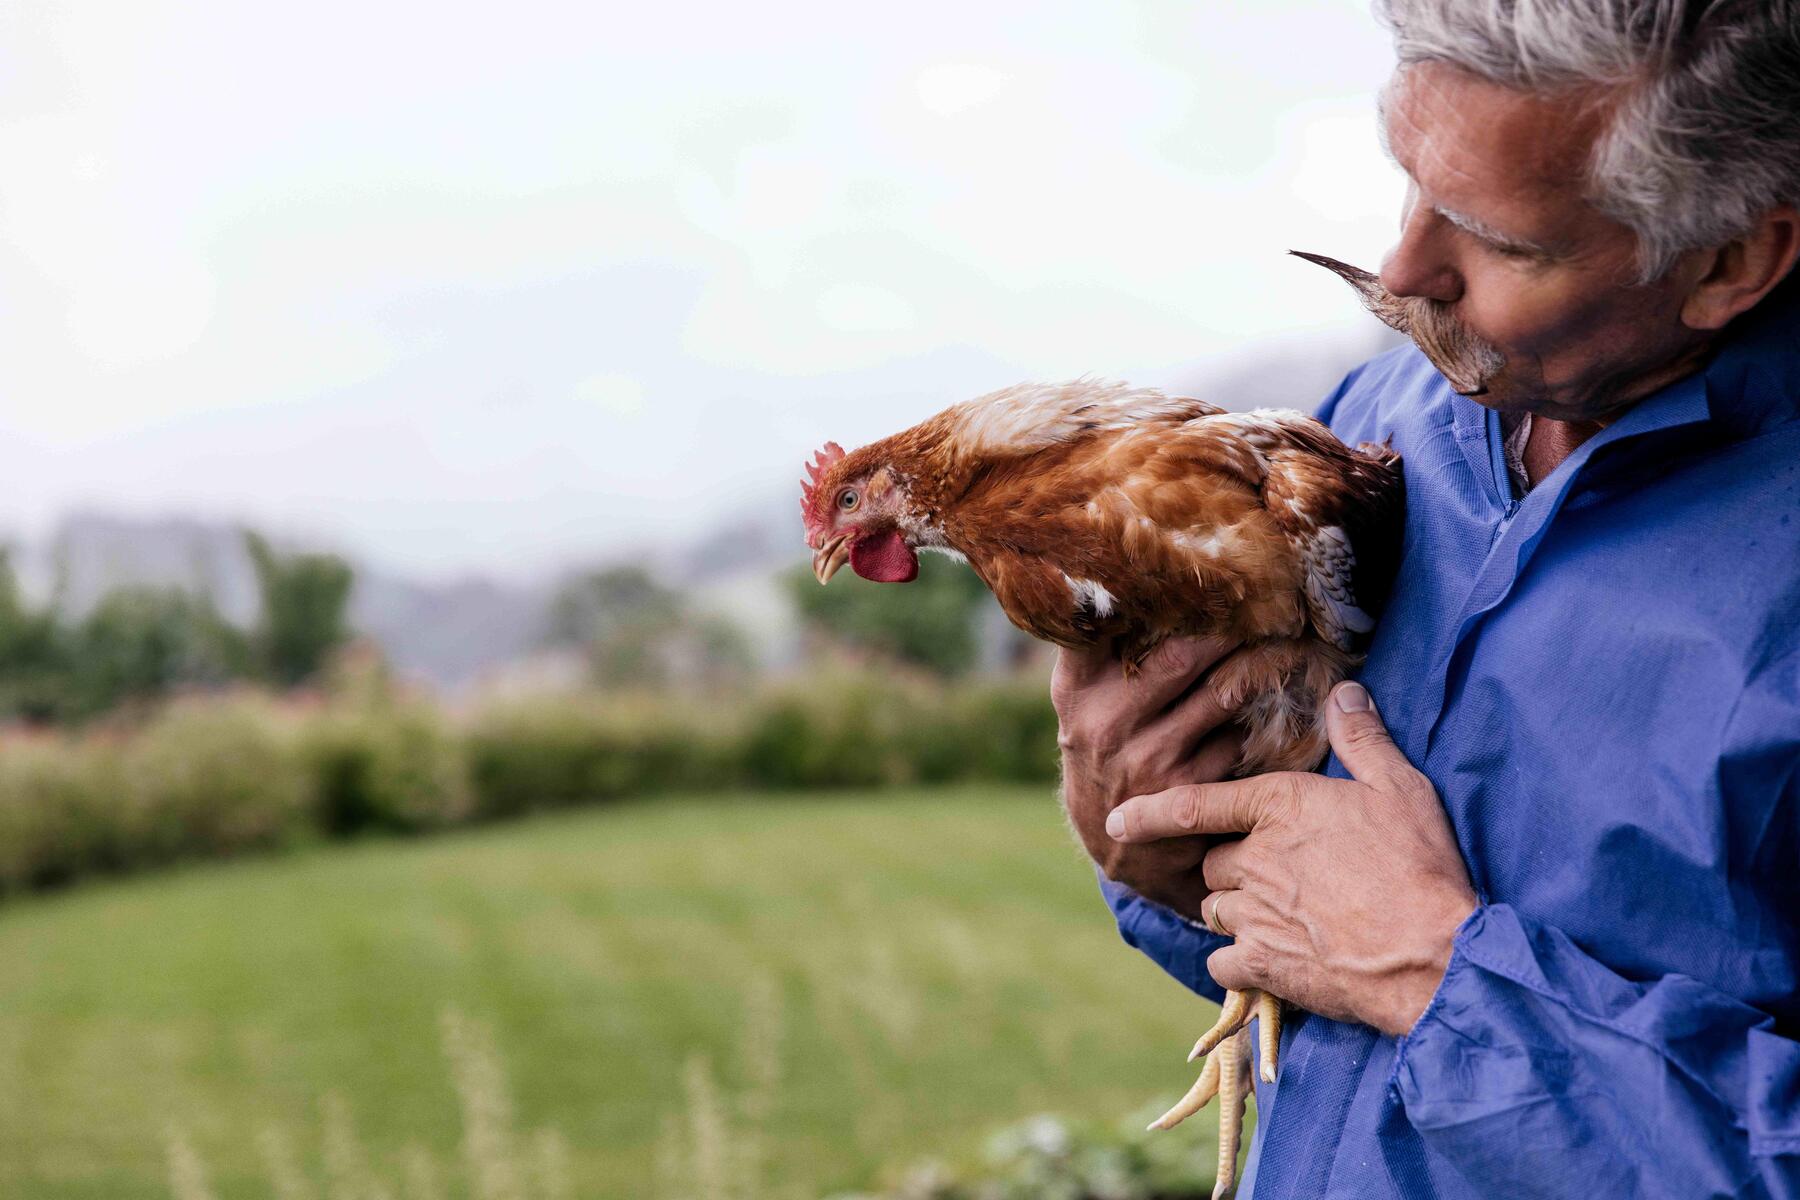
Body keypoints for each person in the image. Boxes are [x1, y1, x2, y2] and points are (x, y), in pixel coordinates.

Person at [1053, 2, 1800, 1196]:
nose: (1401, 270)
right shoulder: (1371, 422)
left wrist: (1434, 975)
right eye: (1411, 183)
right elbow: (1291, 938)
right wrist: (1145, 843)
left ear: (1730, 262)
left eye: (1504, 241)